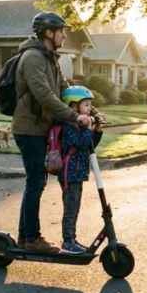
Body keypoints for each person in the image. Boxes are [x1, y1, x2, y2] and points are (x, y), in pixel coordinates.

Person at [12, 12, 96, 254]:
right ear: (49, 33)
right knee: (35, 182)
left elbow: (65, 91)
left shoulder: (51, 59)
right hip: (29, 130)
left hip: (41, 128)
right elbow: (45, 95)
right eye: (61, 31)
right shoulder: (32, 58)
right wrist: (75, 117)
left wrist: (92, 112)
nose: (65, 35)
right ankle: (31, 238)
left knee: (36, 181)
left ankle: (22, 235)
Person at [57, 86, 103, 253]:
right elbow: (81, 143)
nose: (89, 109)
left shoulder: (80, 125)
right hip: (70, 173)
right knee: (70, 209)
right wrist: (88, 127)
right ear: (74, 107)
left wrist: (96, 129)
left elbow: (90, 146)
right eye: (86, 105)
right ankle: (67, 242)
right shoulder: (69, 125)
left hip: (78, 172)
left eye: (90, 105)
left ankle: (72, 239)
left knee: (75, 208)